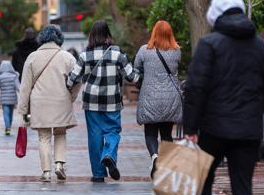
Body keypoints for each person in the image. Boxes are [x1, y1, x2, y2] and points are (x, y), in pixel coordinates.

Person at [183, 0, 264, 195]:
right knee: (242, 187)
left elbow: (196, 88)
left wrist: (190, 127)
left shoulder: (210, 44)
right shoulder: (260, 46)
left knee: (203, 183)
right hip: (247, 129)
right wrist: (253, 112)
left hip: (213, 128)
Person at [66, 20, 139, 183]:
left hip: (91, 101)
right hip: (112, 100)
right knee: (112, 131)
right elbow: (132, 77)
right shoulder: (118, 54)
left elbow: (72, 79)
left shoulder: (85, 56)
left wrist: (67, 84)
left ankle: (98, 174)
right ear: (108, 35)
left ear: (91, 36)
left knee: (94, 136)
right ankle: (109, 154)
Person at [18, 25, 78, 182]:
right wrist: (71, 97)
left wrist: (23, 110)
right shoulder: (67, 57)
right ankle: (59, 164)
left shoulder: (32, 57)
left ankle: (46, 172)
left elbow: (25, 86)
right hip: (61, 100)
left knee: (43, 137)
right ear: (59, 39)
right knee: (60, 133)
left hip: (40, 102)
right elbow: (77, 81)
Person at [134, 20, 182, 178]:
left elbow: (136, 69)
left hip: (150, 97)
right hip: (170, 98)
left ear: (154, 33)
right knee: (167, 134)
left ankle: (154, 156)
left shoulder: (144, 51)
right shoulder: (177, 51)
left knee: (150, 132)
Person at [0, 60, 20, 136]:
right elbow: (18, 86)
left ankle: (7, 128)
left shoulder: (0, 77)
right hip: (12, 99)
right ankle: (9, 127)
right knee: (11, 114)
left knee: (5, 113)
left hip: (4, 99)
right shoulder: (14, 76)